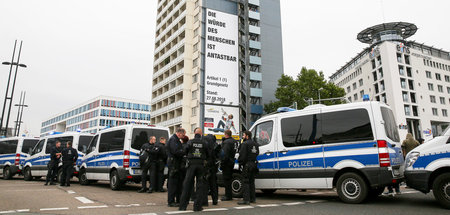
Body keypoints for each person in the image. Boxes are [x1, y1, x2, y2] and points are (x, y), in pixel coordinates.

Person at [179, 128, 209, 211]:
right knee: (200, 186)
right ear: (201, 134)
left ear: (195, 133)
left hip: (191, 164)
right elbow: (208, 154)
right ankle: (197, 207)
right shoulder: (204, 143)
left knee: (187, 185)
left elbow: (185, 151)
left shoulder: (190, 142)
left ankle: (182, 206)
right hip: (200, 165)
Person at [237, 131, 259, 205]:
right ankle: (253, 198)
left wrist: (240, 163)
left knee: (246, 182)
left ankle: (246, 200)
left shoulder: (245, 144)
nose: (243, 136)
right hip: (254, 164)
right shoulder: (255, 144)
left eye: (243, 135)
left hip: (247, 165)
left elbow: (242, 156)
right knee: (252, 182)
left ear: (247, 136)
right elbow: (257, 153)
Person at [167, 128, 186, 207]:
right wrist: (184, 152)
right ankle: (171, 201)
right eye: (183, 135)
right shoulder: (173, 140)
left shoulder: (175, 140)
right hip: (174, 164)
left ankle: (176, 200)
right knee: (173, 184)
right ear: (179, 133)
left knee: (177, 183)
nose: (184, 136)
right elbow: (175, 151)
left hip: (175, 163)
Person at [221, 129, 238, 201]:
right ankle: (229, 195)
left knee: (226, 179)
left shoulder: (227, 142)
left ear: (226, 134)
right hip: (232, 161)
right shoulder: (235, 141)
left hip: (227, 163)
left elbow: (225, 154)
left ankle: (228, 195)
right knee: (230, 178)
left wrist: (222, 163)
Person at [203, 134, 219, 205]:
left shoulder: (204, 144)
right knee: (213, 184)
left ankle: (205, 201)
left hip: (205, 166)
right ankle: (215, 200)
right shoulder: (215, 145)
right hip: (213, 166)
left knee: (204, 183)